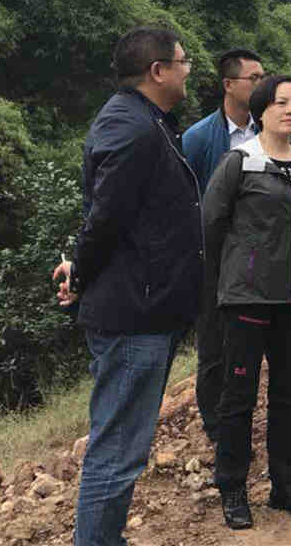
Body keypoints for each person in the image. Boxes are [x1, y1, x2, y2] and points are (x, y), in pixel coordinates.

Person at [53, 27, 203, 546]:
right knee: (116, 453)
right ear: (158, 71)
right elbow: (105, 219)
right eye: (183, 61)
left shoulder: (146, 121)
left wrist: (81, 270)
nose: (188, 70)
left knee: (123, 451)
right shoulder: (133, 128)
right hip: (134, 317)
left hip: (148, 309)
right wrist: (81, 274)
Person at [184, 50, 291, 440]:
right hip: (220, 259)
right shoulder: (201, 137)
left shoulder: (283, 140)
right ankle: (219, 430)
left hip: (276, 266)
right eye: (254, 79)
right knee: (216, 347)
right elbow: (197, 203)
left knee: (287, 351)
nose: (263, 85)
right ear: (229, 85)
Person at [202, 75, 291, 530]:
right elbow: (211, 223)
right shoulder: (241, 161)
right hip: (247, 297)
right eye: (281, 103)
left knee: (289, 395)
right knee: (238, 397)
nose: (290, 110)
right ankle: (232, 487)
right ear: (261, 110)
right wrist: (236, 272)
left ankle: (286, 484)